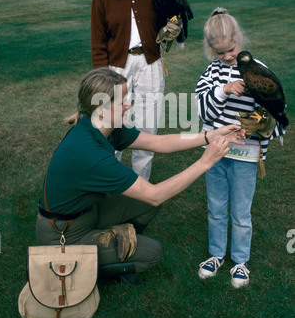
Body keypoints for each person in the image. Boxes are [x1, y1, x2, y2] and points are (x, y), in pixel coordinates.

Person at [36, 67, 245, 287]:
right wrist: (205, 162)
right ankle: (94, 267)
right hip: (64, 236)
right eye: (123, 101)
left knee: (145, 204)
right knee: (151, 252)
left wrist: (208, 136)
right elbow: (155, 195)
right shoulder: (90, 153)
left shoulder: (103, 126)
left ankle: (112, 246)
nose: (129, 105)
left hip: (87, 213)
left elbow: (158, 143)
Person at [195, 7, 284, 288]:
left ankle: (240, 261)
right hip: (216, 153)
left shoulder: (259, 70)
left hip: (246, 154)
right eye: (220, 52)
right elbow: (203, 113)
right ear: (212, 50)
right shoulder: (212, 73)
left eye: (231, 49)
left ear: (240, 40)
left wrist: (260, 125)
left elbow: (276, 116)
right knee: (216, 206)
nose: (227, 56)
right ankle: (216, 255)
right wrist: (223, 90)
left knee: (241, 211)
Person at [91, 0, 178, 181]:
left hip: (150, 65)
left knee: (146, 131)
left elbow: (169, 21)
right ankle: (114, 189)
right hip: (115, 70)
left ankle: (140, 194)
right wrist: (102, 80)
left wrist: (172, 27)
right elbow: (98, 45)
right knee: (114, 131)